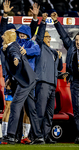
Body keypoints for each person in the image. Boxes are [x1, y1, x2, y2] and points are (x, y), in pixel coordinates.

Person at [0, 0, 40, 143]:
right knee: (18, 107)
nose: (20, 36)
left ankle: (15, 135)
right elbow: (2, 32)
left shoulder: (25, 44)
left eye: (22, 34)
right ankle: (34, 136)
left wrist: (35, 18)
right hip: (14, 79)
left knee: (20, 107)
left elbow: (32, 43)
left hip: (25, 79)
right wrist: (4, 15)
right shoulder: (8, 44)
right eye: (18, 34)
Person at [35, 12, 63, 144]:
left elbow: (59, 68)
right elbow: (39, 37)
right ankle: (37, 135)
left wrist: (60, 56)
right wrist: (44, 22)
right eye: (47, 36)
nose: (49, 38)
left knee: (49, 113)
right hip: (43, 83)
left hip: (52, 85)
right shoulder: (40, 47)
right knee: (40, 111)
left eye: (49, 36)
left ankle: (46, 136)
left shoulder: (53, 52)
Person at [51, 11, 79, 144]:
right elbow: (63, 36)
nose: (78, 42)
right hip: (75, 83)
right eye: (77, 40)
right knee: (77, 110)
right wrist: (56, 22)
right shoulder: (72, 46)